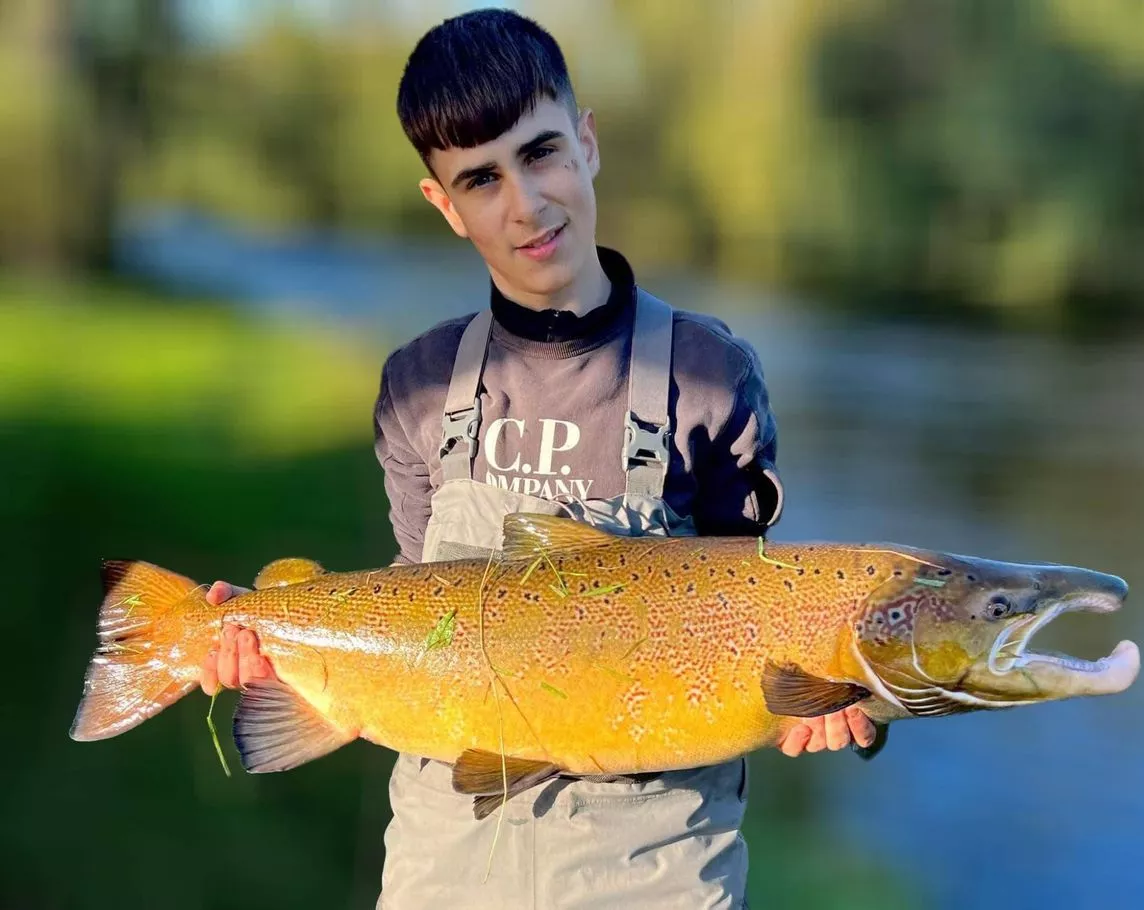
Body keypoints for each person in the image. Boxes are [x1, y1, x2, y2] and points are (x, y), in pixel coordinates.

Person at [199, 8, 875, 908]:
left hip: (659, 876)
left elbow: (761, 610)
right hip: (445, 873)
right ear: (443, 205)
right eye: (481, 178)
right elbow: (415, 601)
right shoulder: (417, 385)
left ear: (588, 143)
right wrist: (271, 641)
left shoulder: (713, 377)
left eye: (542, 152)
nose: (527, 202)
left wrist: (846, 707)